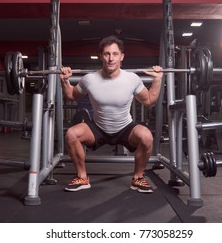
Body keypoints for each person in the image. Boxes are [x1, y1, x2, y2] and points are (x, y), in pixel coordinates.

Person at [59, 35, 163, 193]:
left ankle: (138, 178)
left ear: (122, 56)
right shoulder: (89, 79)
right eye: (107, 54)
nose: (110, 58)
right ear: (101, 56)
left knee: (146, 136)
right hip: (98, 128)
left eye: (115, 54)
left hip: (125, 128)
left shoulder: (132, 79)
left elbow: (149, 101)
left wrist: (157, 80)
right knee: (72, 134)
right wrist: (65, 81)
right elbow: (72, 95)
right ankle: (82, 177)